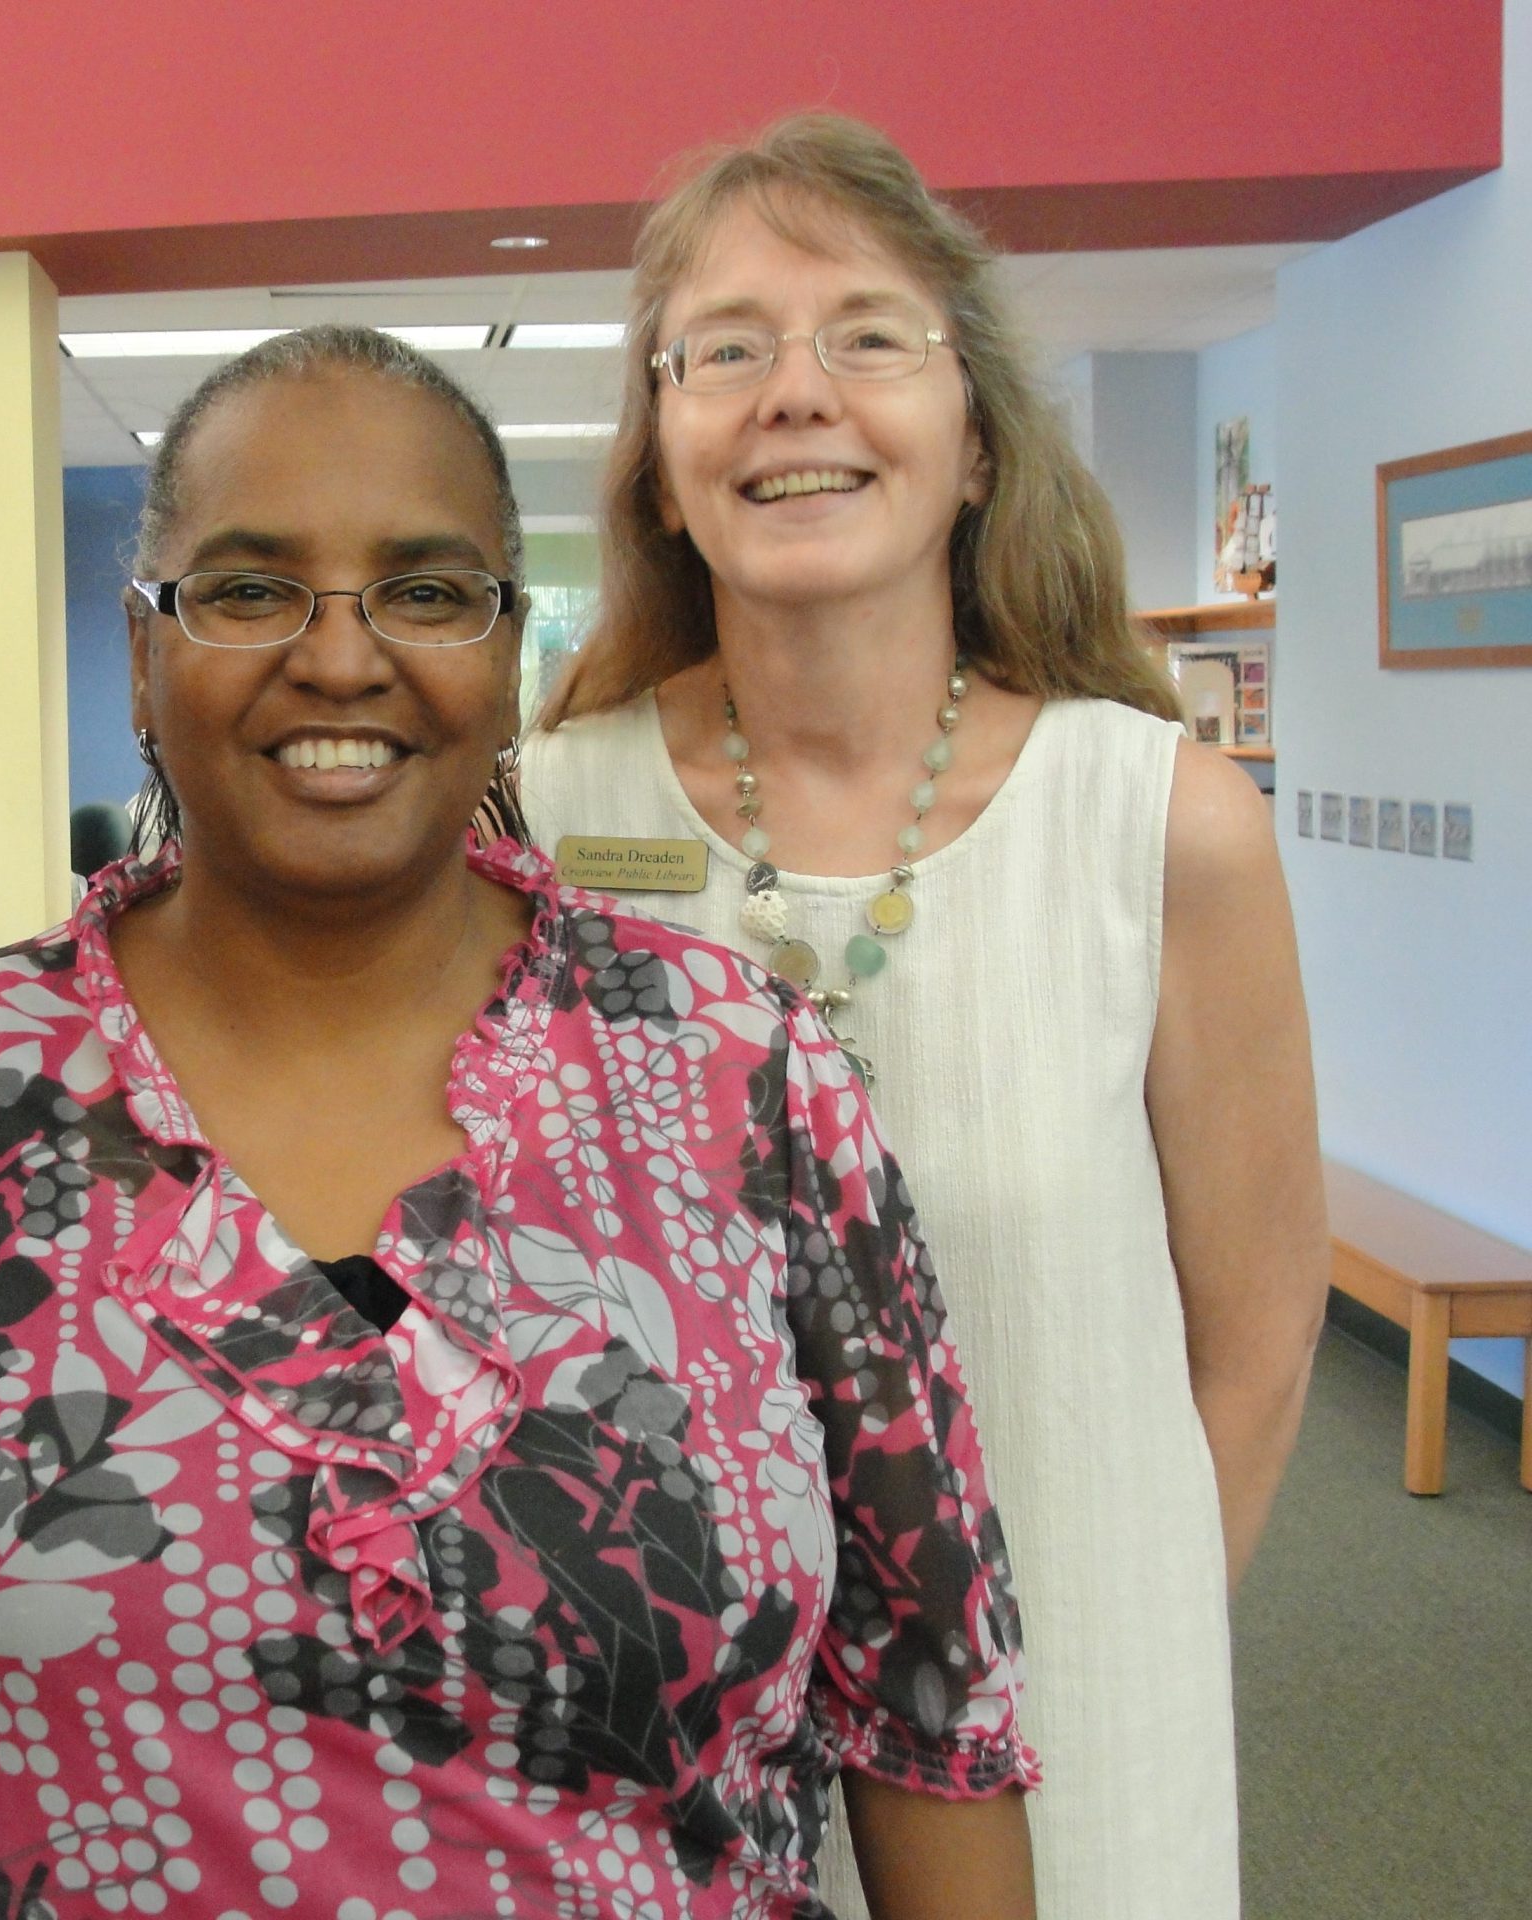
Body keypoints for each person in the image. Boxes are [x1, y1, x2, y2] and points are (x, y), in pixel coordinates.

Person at [0, 326, 1040, 1919]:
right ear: (141, 651)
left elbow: (928, 1701)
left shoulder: (740, 1072)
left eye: (426, 590)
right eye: (252, 590)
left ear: (508, 648)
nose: (342, 659)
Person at [520, 115, 1328, 1919]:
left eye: (869, 336)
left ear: (973, 444)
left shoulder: (1162, 824)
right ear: (662, 462)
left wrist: (1130, 1659)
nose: (795, 394)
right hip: (661, 1748)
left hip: (1072, 1721)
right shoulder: (544, 820)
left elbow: (1261, 1347)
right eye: (725, 349)